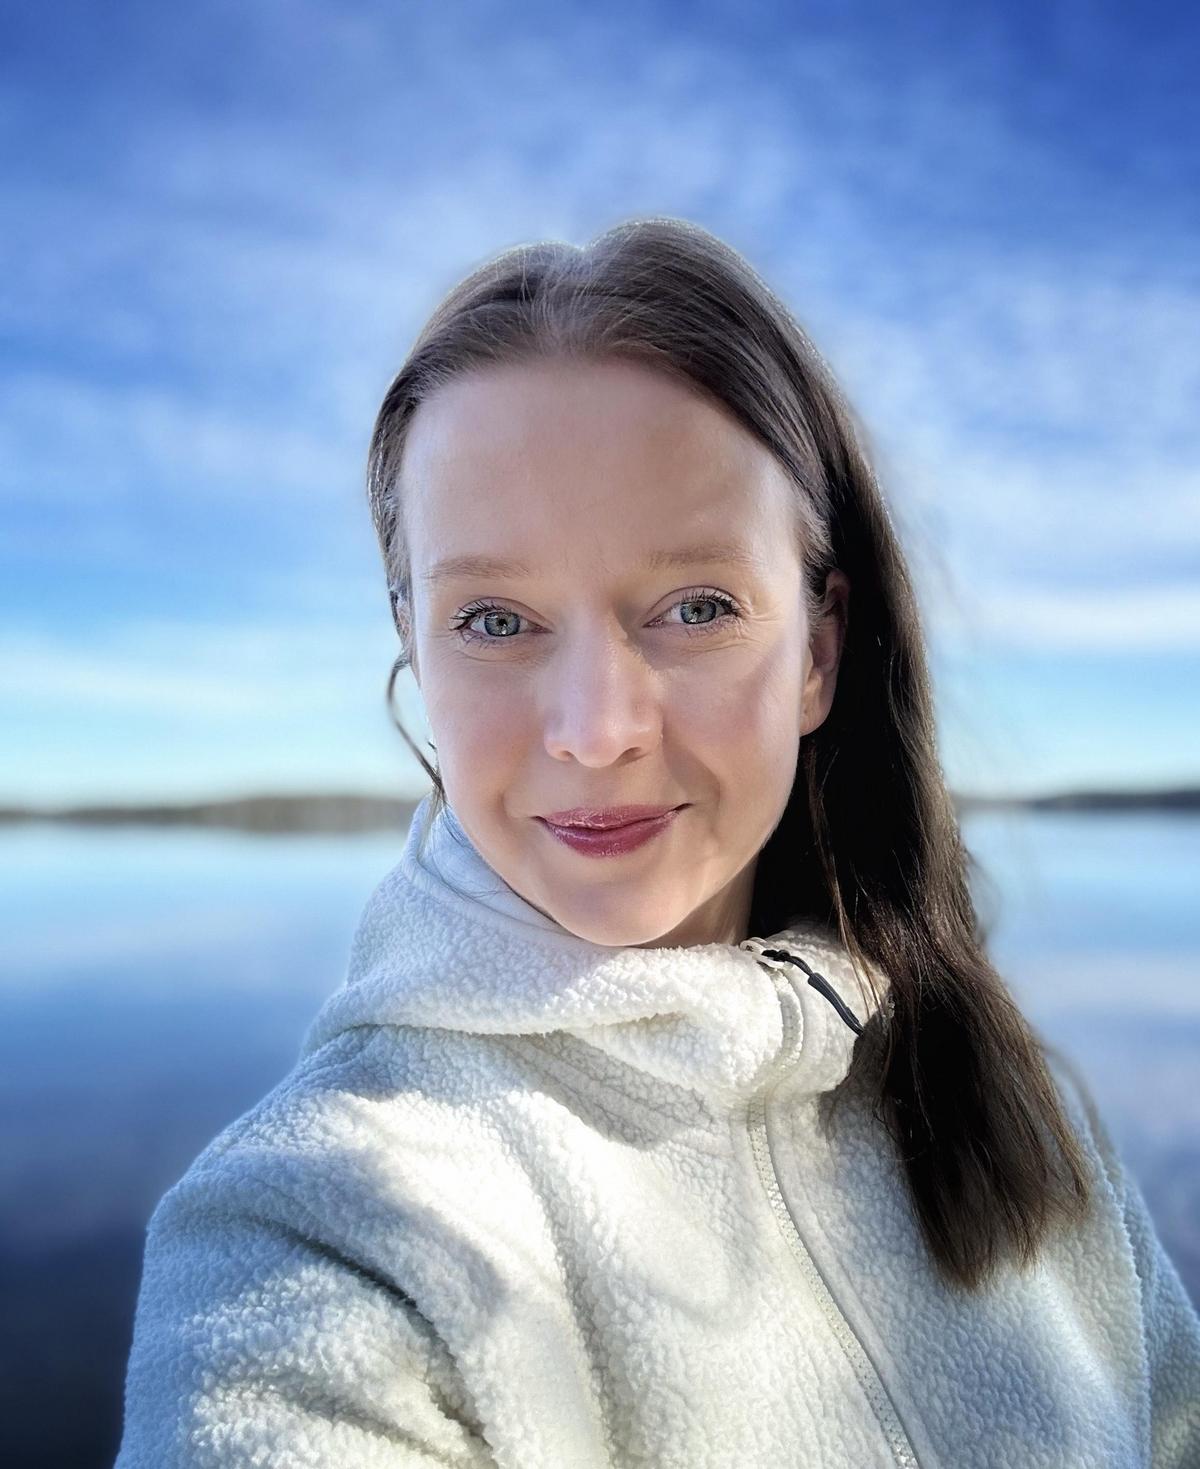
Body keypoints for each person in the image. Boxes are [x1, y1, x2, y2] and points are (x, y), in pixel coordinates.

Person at [113, 217, 1200, 1468]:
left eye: (697, 606)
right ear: (414, 643)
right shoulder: (331, 1217)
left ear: (819, 650)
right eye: (495, 618)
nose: (597, 729)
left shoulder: (1010, 1106)